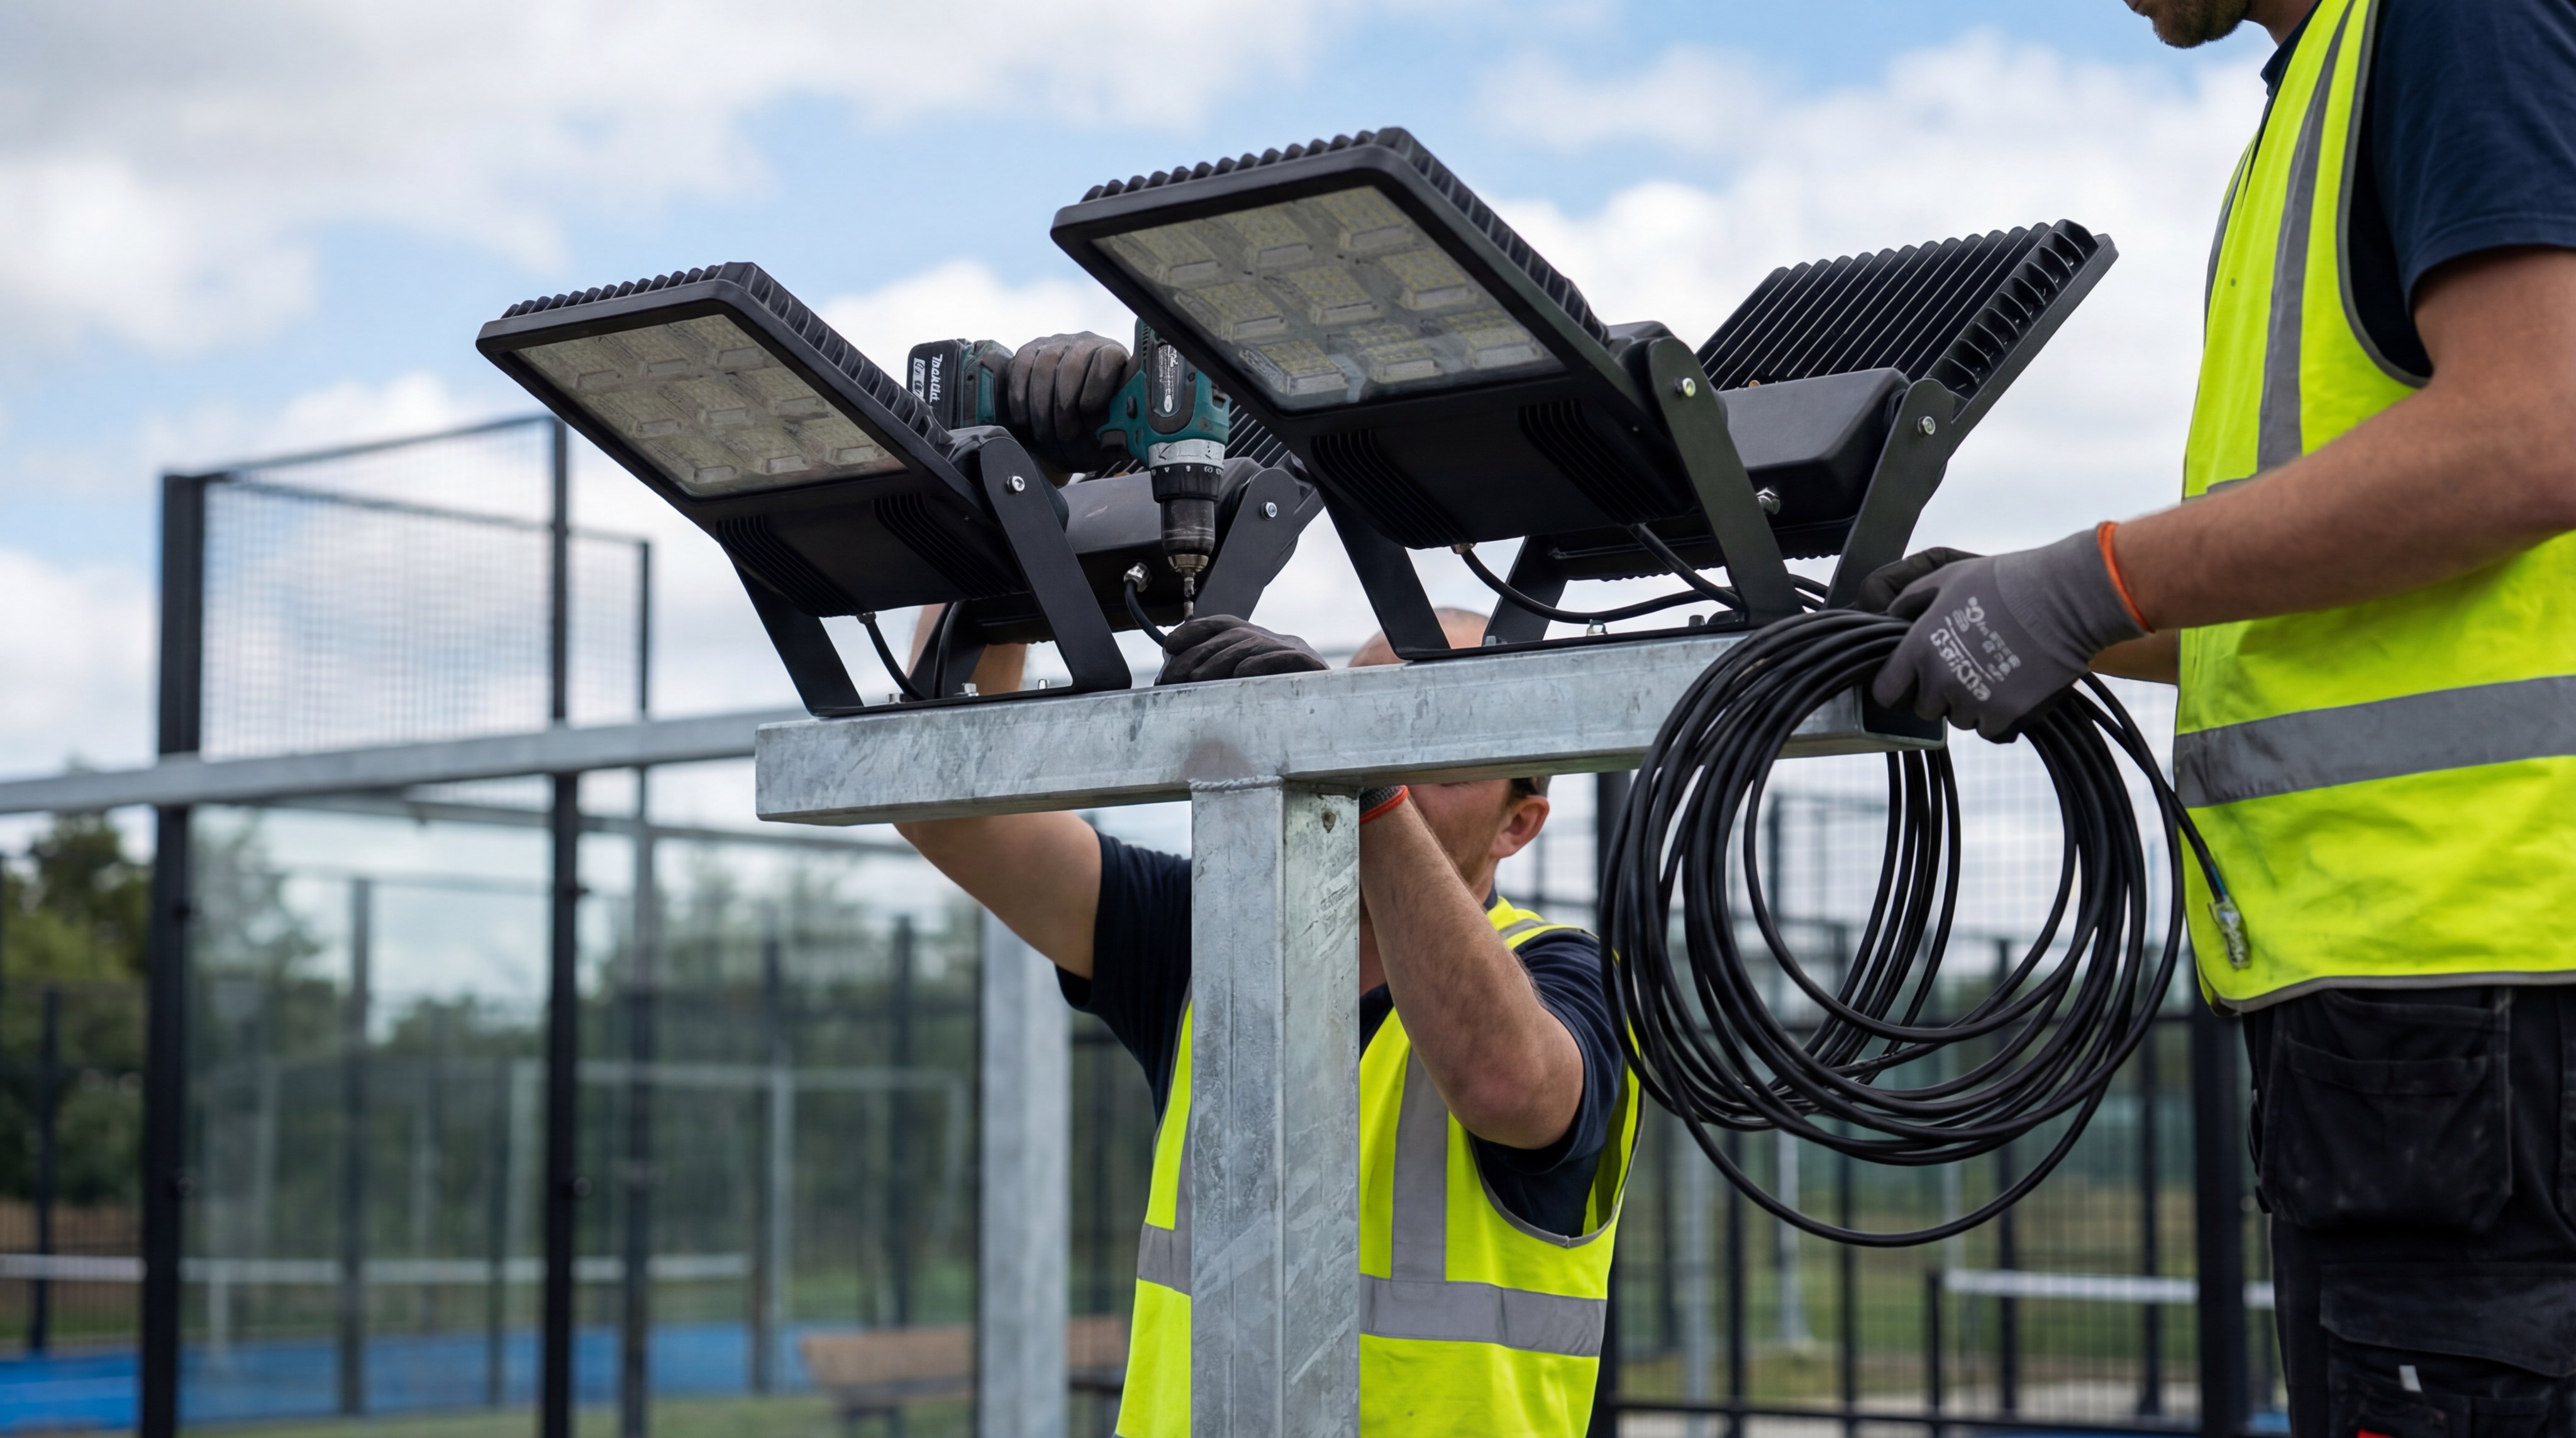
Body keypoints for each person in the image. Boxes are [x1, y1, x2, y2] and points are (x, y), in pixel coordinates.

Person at [1864, 1, 2576, 1430]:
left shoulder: (2452, 22)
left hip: (2493, 994)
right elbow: (2335, 611)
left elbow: (2529, 430)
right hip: (2418, 1022)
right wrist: (2020, 605)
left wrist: (2084, 582)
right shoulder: (2325, 88)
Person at [895, 597, 1639, 1437]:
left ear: (1519, 823)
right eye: (1361, 716)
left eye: (1440, 754)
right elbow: (947, 810)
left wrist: (1361, 785)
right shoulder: (1213, 931)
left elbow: (1507, 1085)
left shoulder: (1566, 978)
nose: (1379, 753)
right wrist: (1003, 547)